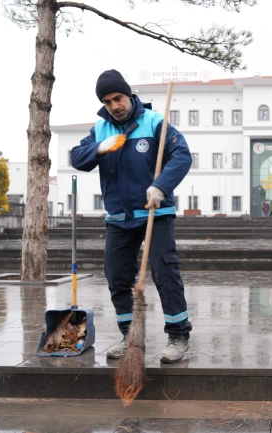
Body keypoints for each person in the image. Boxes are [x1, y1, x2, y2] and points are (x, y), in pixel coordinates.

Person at [70, 69, 193, 363]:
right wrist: (100, 148)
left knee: (165, 273)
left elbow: (182, 155)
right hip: (119, 218)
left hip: (155, 212)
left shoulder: (153, 123)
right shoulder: (101, 129)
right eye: (108, 101)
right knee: (117, 276)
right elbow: (76, 157)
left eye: (118, 98)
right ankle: (130, 336)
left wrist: (160, 186)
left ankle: (178, 335)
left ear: (129, 95)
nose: (114, 105)